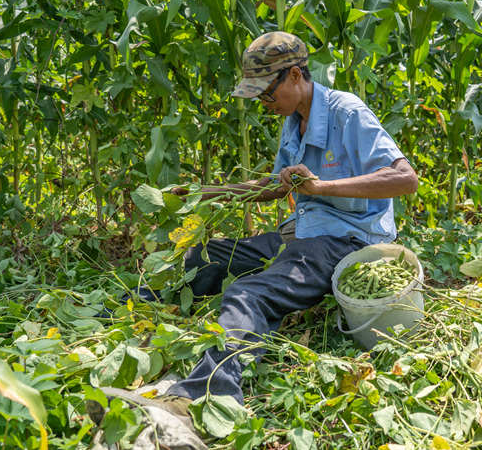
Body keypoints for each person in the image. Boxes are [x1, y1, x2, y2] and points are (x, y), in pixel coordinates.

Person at [102, 31, 418, 420]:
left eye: (268, 93)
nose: (265, 103)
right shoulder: (293, 121)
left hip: (344, 241)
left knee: (248, 294)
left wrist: (321, 186)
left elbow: (405, 179)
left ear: (296, 77)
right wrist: (207, 193)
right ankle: (122, 319)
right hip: (301, 232)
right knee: (206, 256)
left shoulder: (346, 112)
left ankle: (208, 395)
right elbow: (273, 186)